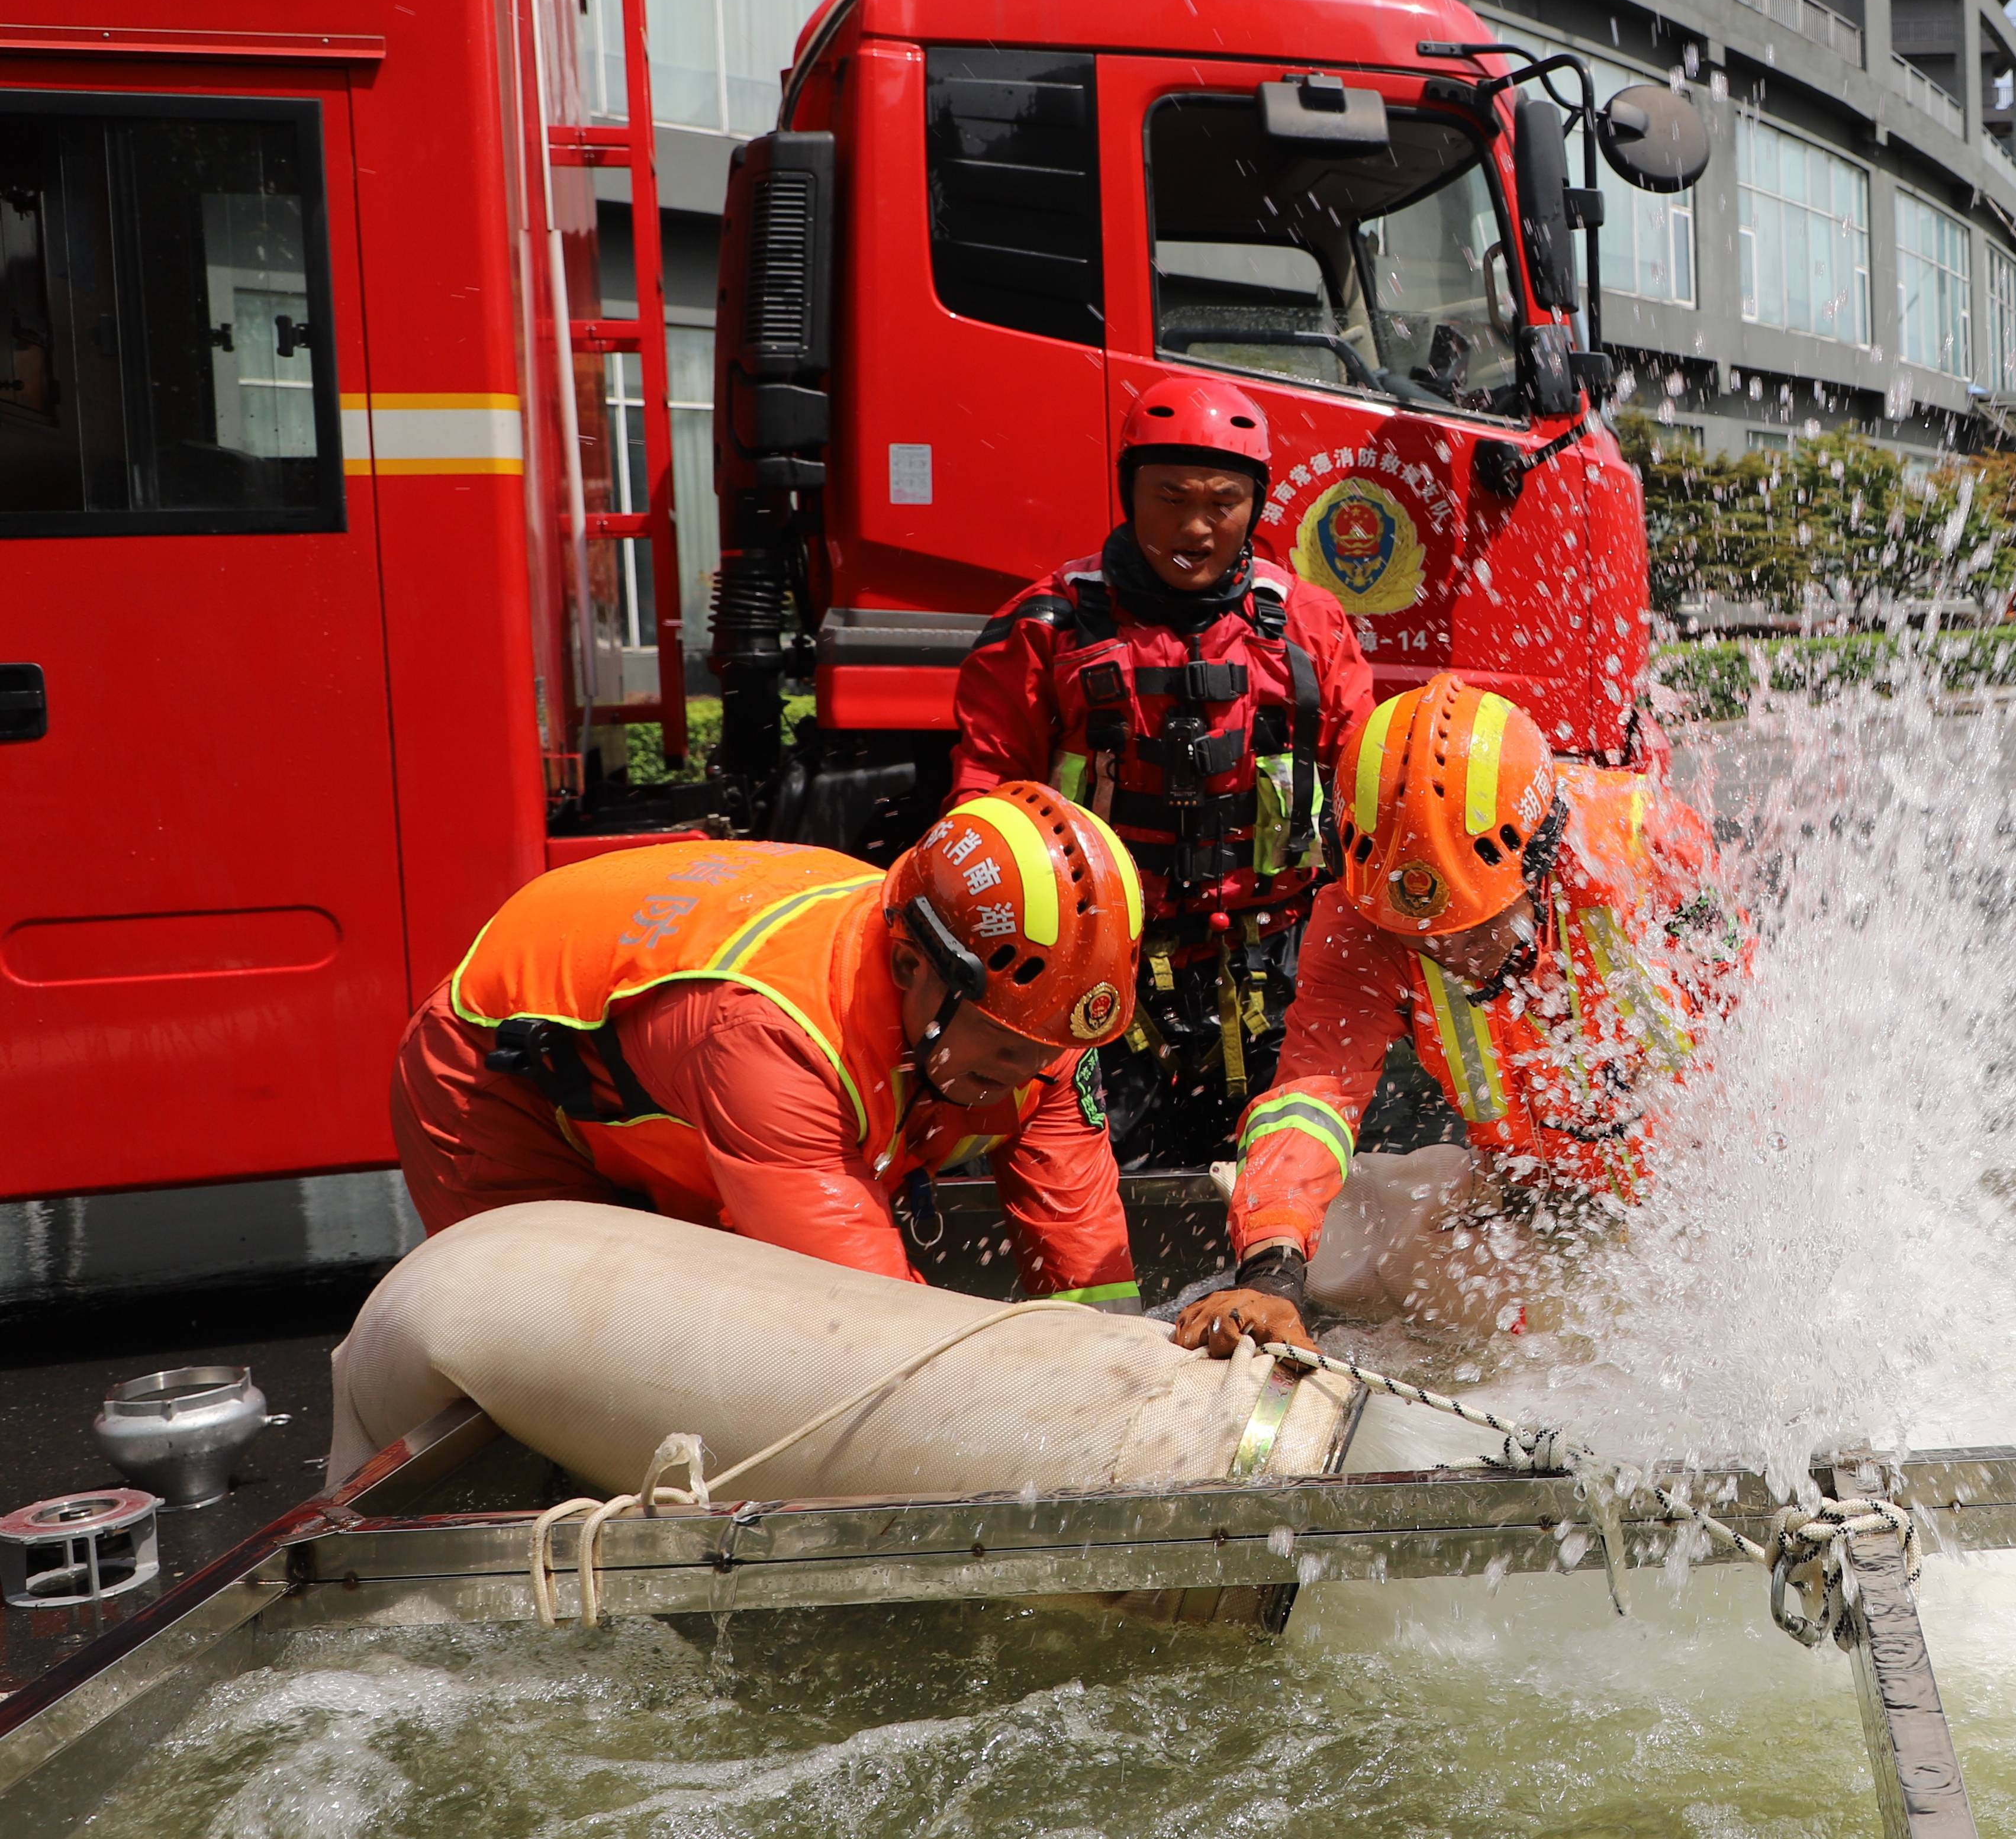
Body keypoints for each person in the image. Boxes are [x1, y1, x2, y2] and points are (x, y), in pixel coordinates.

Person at [391, 784, 1148, 1299]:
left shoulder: (1035, 1008)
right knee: (584, 1359)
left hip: (676, 1073)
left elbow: (1084, 1257)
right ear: (913, 964)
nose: (1033, 1070)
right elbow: (868, 1322)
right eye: (1009, 1045)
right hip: (495, 1081)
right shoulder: (773, 1038)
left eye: (1050, 1045)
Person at [1165, 675, 1740, 1352]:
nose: (1447, 950)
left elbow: (1754, 1023)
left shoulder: (1643, 846)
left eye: (1473, 927)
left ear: (1540, 862)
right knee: (1409, 1270)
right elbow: (1313, 1094)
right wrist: (1271, 1268)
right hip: (1534, 1195)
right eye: (1422, 934)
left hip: (1702, 1193)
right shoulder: (1360, 917)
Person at [951, 377, 1376, 1174]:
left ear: (1256, 505)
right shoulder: (1045, 629)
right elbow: (980, 806)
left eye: (1223, 501)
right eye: (1169, 497)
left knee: (1291, 1173)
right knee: (1084, 1181)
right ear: (1126, 493)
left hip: (1271, 968)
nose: (1194, 526)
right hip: (1096, 972)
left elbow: (1368, 788)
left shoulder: (1311, 626)